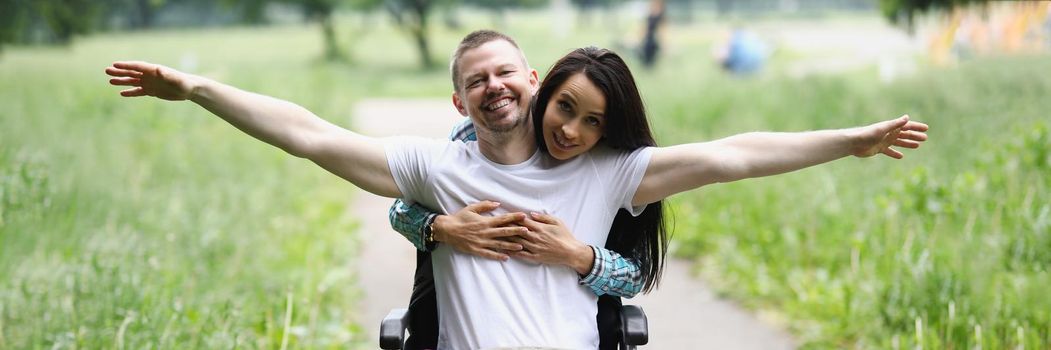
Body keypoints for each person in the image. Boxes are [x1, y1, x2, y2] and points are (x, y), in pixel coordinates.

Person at [106, 31, 929, 349]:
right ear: (458, 101)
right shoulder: (434, 168)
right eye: (476, 80)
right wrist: (200, 89)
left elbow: (738, 154)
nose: (494, 86)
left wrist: (850, 143)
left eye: (506, 72)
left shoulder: (609, 170)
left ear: (531, 80)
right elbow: (307, 134)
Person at [388, 32, 657, 350]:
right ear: (543, 92)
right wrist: (441, 228)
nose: (569, 131)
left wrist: (576, 254)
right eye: (564, 108)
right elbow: (401, 207)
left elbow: (636, 275)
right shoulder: (478, 135)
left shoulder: (609, 164)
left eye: (593, 121)